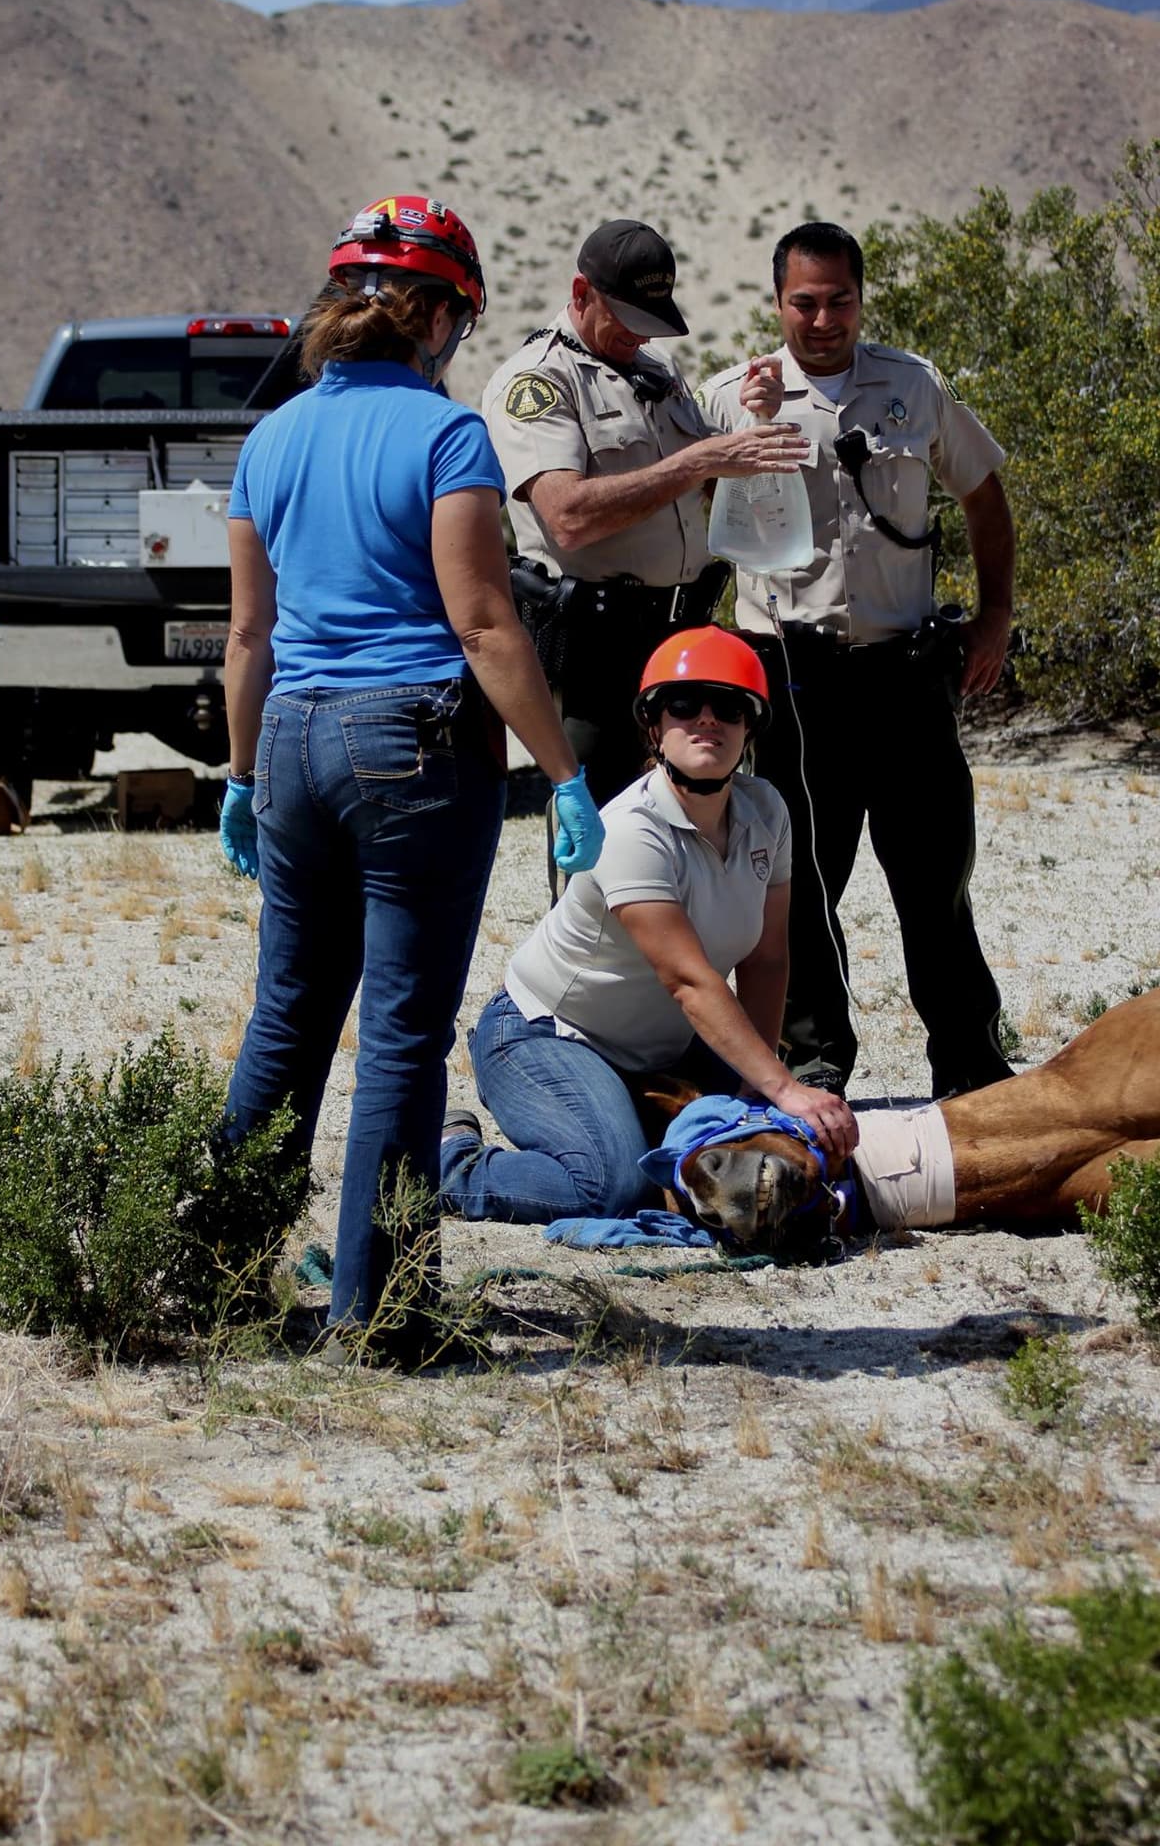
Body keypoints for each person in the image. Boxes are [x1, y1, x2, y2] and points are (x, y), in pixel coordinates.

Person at [217, 193, 604, 1364]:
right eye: (459, 320)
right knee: (398, 1034)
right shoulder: (446, 437)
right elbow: (484, 622)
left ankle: (216, 1275)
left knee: (285, 1018)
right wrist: (564, 769)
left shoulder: (268, 437)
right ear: (435, 314)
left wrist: (238, 776)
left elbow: (247, 638)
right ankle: (380, 1323)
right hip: (411, 746)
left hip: (289, 739)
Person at [698, 221, 1015, 1102]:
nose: (824, 318)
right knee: (800, 883)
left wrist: (995, 616)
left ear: (861, 297)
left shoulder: (913, 387)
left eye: (840, 299)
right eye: (805, 301)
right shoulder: (733, 397)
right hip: (791, 680)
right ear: (778, 303)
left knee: (936, 873)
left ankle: (970, 1061)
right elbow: (682, 522)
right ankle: (815, 1060)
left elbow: (985, 498)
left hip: (903, 672)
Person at [440, 627, 858, 1225]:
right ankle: (450, 1161)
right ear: (654, 726)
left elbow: (765, 960)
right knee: (609, 1187)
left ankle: (627, 1118)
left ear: (751, 726)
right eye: (684, 704)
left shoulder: (768, 812)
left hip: (665, 1048)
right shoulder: (632, 829)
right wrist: (784, 1088)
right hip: (548, 1035)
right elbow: (688, 980)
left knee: (775, 1148)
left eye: (730, 706)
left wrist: (756, 1086)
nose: (707, 720)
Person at [482, 218, 810, 885]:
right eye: (626, 316)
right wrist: (701, 461)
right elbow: (567, 516)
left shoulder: (653, 374)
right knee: (599, 866)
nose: (640, 334)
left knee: (686, 849)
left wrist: (752, 419)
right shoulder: (538, 382)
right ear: (581, 293)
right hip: (597, 657)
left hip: (679, 646)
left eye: (651, 319)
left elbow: (702, 482)